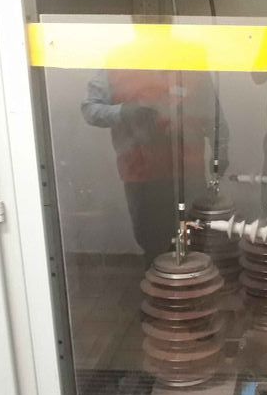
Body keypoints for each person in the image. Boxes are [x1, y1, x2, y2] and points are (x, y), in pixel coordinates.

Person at [81, 69, 228, 265]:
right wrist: (124, 111)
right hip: (142, 172)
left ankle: (193, 283)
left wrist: (221, 150)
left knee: (195, 239)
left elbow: (213, 113)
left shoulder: (191, 63)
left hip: (189, 172)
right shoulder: (116, 65)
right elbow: (89, 109)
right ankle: (156, 280)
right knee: (152, 243)